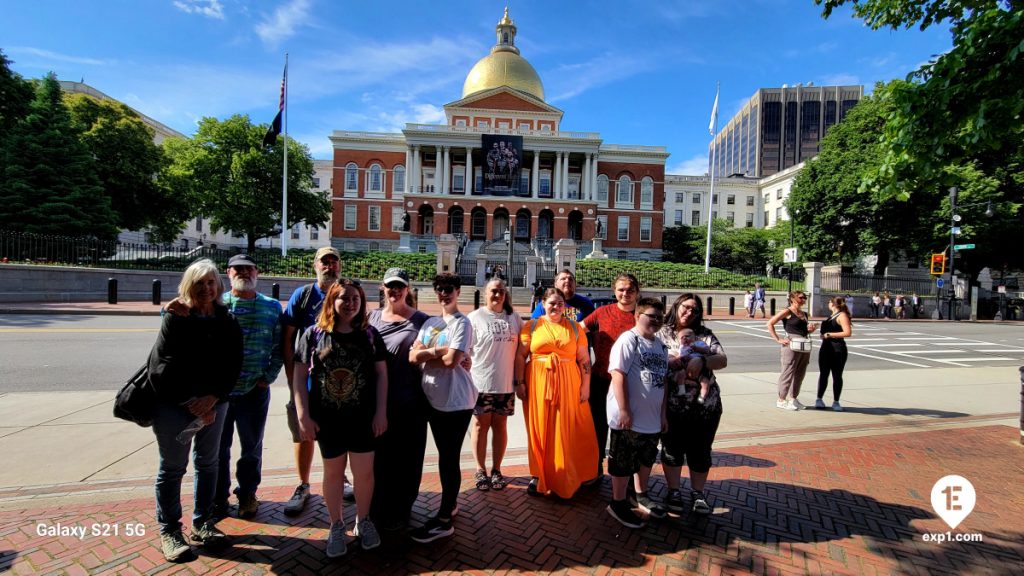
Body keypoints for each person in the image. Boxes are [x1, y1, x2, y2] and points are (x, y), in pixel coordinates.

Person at [148, 259, 242, 562]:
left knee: (208, 463)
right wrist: (193, 403)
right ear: (189, 286)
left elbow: (233, 365)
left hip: (214, 405)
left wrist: (213, 399)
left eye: (211, 282)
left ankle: (202, 522)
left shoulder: (227, 320)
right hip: (174, 405)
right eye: (199, 283)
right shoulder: (177, 317)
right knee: (173, 468)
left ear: (219, 285)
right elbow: (161, 366)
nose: (206, 288)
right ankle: (170, 530)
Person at [293, 280, 388, 557]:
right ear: (332, 301)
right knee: (333, 473)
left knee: (364, 473)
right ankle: (336, 524)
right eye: (344, 298)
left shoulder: (369, 334)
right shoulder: (313, 335)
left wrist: (381, 411)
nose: (350, 304)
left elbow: (382, 375)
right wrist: (303, 415)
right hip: (328, 419)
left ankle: (363, 519)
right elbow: (299, 377)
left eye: (356, 298)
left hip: (363, 418)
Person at [281, 246, 354, 517]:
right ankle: (303, 484)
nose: (329, 266)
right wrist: (292, 377)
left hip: (337, 382)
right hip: (307, 379)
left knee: (338, 431)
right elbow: (287, 338)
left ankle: (341, 478)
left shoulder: (346, 294)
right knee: (303, 432)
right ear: (315, 265)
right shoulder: (303, 295)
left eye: (334, 262)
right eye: (325, 262)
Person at [408, 273, 476, 543]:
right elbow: (412, 356)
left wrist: (428, 354)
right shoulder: (431, 323)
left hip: (455, 400)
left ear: (458, 291)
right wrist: (437, 352)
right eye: (439, 289)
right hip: (433, 399)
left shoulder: (462, 323)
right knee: (443, 456)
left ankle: (445, 519)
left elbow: (452, 361)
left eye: (448, 289)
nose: (444, 293)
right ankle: (451, 502)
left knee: (449, 457)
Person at [516, 288, 598, 498]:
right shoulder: (531, 326)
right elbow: (521, 356)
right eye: (552, 303)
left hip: (569, 382)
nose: (556, 307)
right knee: (539, 428)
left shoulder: (574, 328)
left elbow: (584, 360)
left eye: (560, 303)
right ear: (543, 304)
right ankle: (539, 475)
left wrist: (586, 386)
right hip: (538, 383)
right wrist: (519, 382)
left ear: (565, 306)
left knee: (566, 428)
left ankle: (566, 476)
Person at [368, 268, 430, 532]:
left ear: (407, 289)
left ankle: (402, 508)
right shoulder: (370, 318)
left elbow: (440, 350)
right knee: (379, 458)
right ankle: (376, 507)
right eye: (390, 286)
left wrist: (463, 359)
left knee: (408, 459)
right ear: (383, 288)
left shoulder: (422, 321)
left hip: (410, 401)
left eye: (400, 286)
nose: (395, 291)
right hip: (376, 402)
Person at [656, 293, 727, 516]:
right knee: (672, 449)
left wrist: (702, 360)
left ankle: (698, 493)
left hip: (705, 407)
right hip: (672, 405)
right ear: (676, 306)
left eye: (695, 310)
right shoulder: (661, 332)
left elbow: (722, 359)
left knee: (701, 450)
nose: (689, 312)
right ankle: (674, 491)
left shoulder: (704, 335)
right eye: (686, 307)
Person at [605, 297, 669, 528]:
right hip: (629, 417)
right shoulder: (628, 340)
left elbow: (664, 381)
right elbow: (618, 374)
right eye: (651, 316)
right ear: (638, 316)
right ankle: (618, 502)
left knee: (645, 458)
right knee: (622, 461)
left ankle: (640, 494)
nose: (656, 320)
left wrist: (662, 415)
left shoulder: (660, 346)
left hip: (651, 418)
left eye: (660, 317)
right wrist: (623, 409)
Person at [581, 273, 640, 481]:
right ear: (614, 291)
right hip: (601, 379)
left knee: (626, 429)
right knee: (597, 426)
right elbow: (578, 331)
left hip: (631, 383)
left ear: (637, 292)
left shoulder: (642, 315)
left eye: (630, 290)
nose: (625, 293)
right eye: (621, 289)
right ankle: (595, 467)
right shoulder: (602, 312)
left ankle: (625, 474)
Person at [467, 278, 523, 491]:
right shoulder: (475, 317)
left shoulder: (514, 317)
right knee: (480, 426)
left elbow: (525, 346)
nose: (497, 295)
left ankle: (496, 469)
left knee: (500, 426)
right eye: (493, 291)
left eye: (501, 291)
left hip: (505, 384)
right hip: (481, 383)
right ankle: (480, 469)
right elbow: (466, 350)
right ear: (485, 293)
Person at [766, 290, 818, 411]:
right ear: (793, 299)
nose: (804, 299)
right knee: (788, 372)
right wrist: (778, 339)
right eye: (801, 297)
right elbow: (770, 323)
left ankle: (793, 398)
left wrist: (811, 329)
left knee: (800, 373)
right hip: (791, 344)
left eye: (804, 297)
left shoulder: (804, 314)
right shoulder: (787, 311)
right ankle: (781, 399)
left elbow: (804, 331)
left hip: (803, 345)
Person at [815, 297, 853, 412]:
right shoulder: (831, 316)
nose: (828, 304)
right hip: (826, 348)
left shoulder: (842, 316)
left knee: (837, 375)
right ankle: (819, 399)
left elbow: (847, 332)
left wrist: (830, 334)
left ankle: (836, 401)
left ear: (833, 304)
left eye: (829, 302)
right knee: (823, 374)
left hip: (838, 349)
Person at [530, 269, 595, 321]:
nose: (567, 281)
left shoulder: (586, 304)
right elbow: (534, 327)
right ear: (555, 284)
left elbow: (595, 328)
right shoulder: (546, 305)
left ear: (575, 284)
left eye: (570, 279)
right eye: (563, 279)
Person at [675, 328, 713, 405]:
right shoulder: (682, 347)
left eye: (687, 336)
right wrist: (680, 358)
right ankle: (681, 391)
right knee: (680, 375)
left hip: (700, 368)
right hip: (687, 367)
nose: (684, 338)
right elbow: (680, 356)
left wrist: (696, 348)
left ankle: (702, 396)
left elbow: (707, 350)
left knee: (705, 382)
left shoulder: (699, 343)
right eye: (682, 337)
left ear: (694, 337)